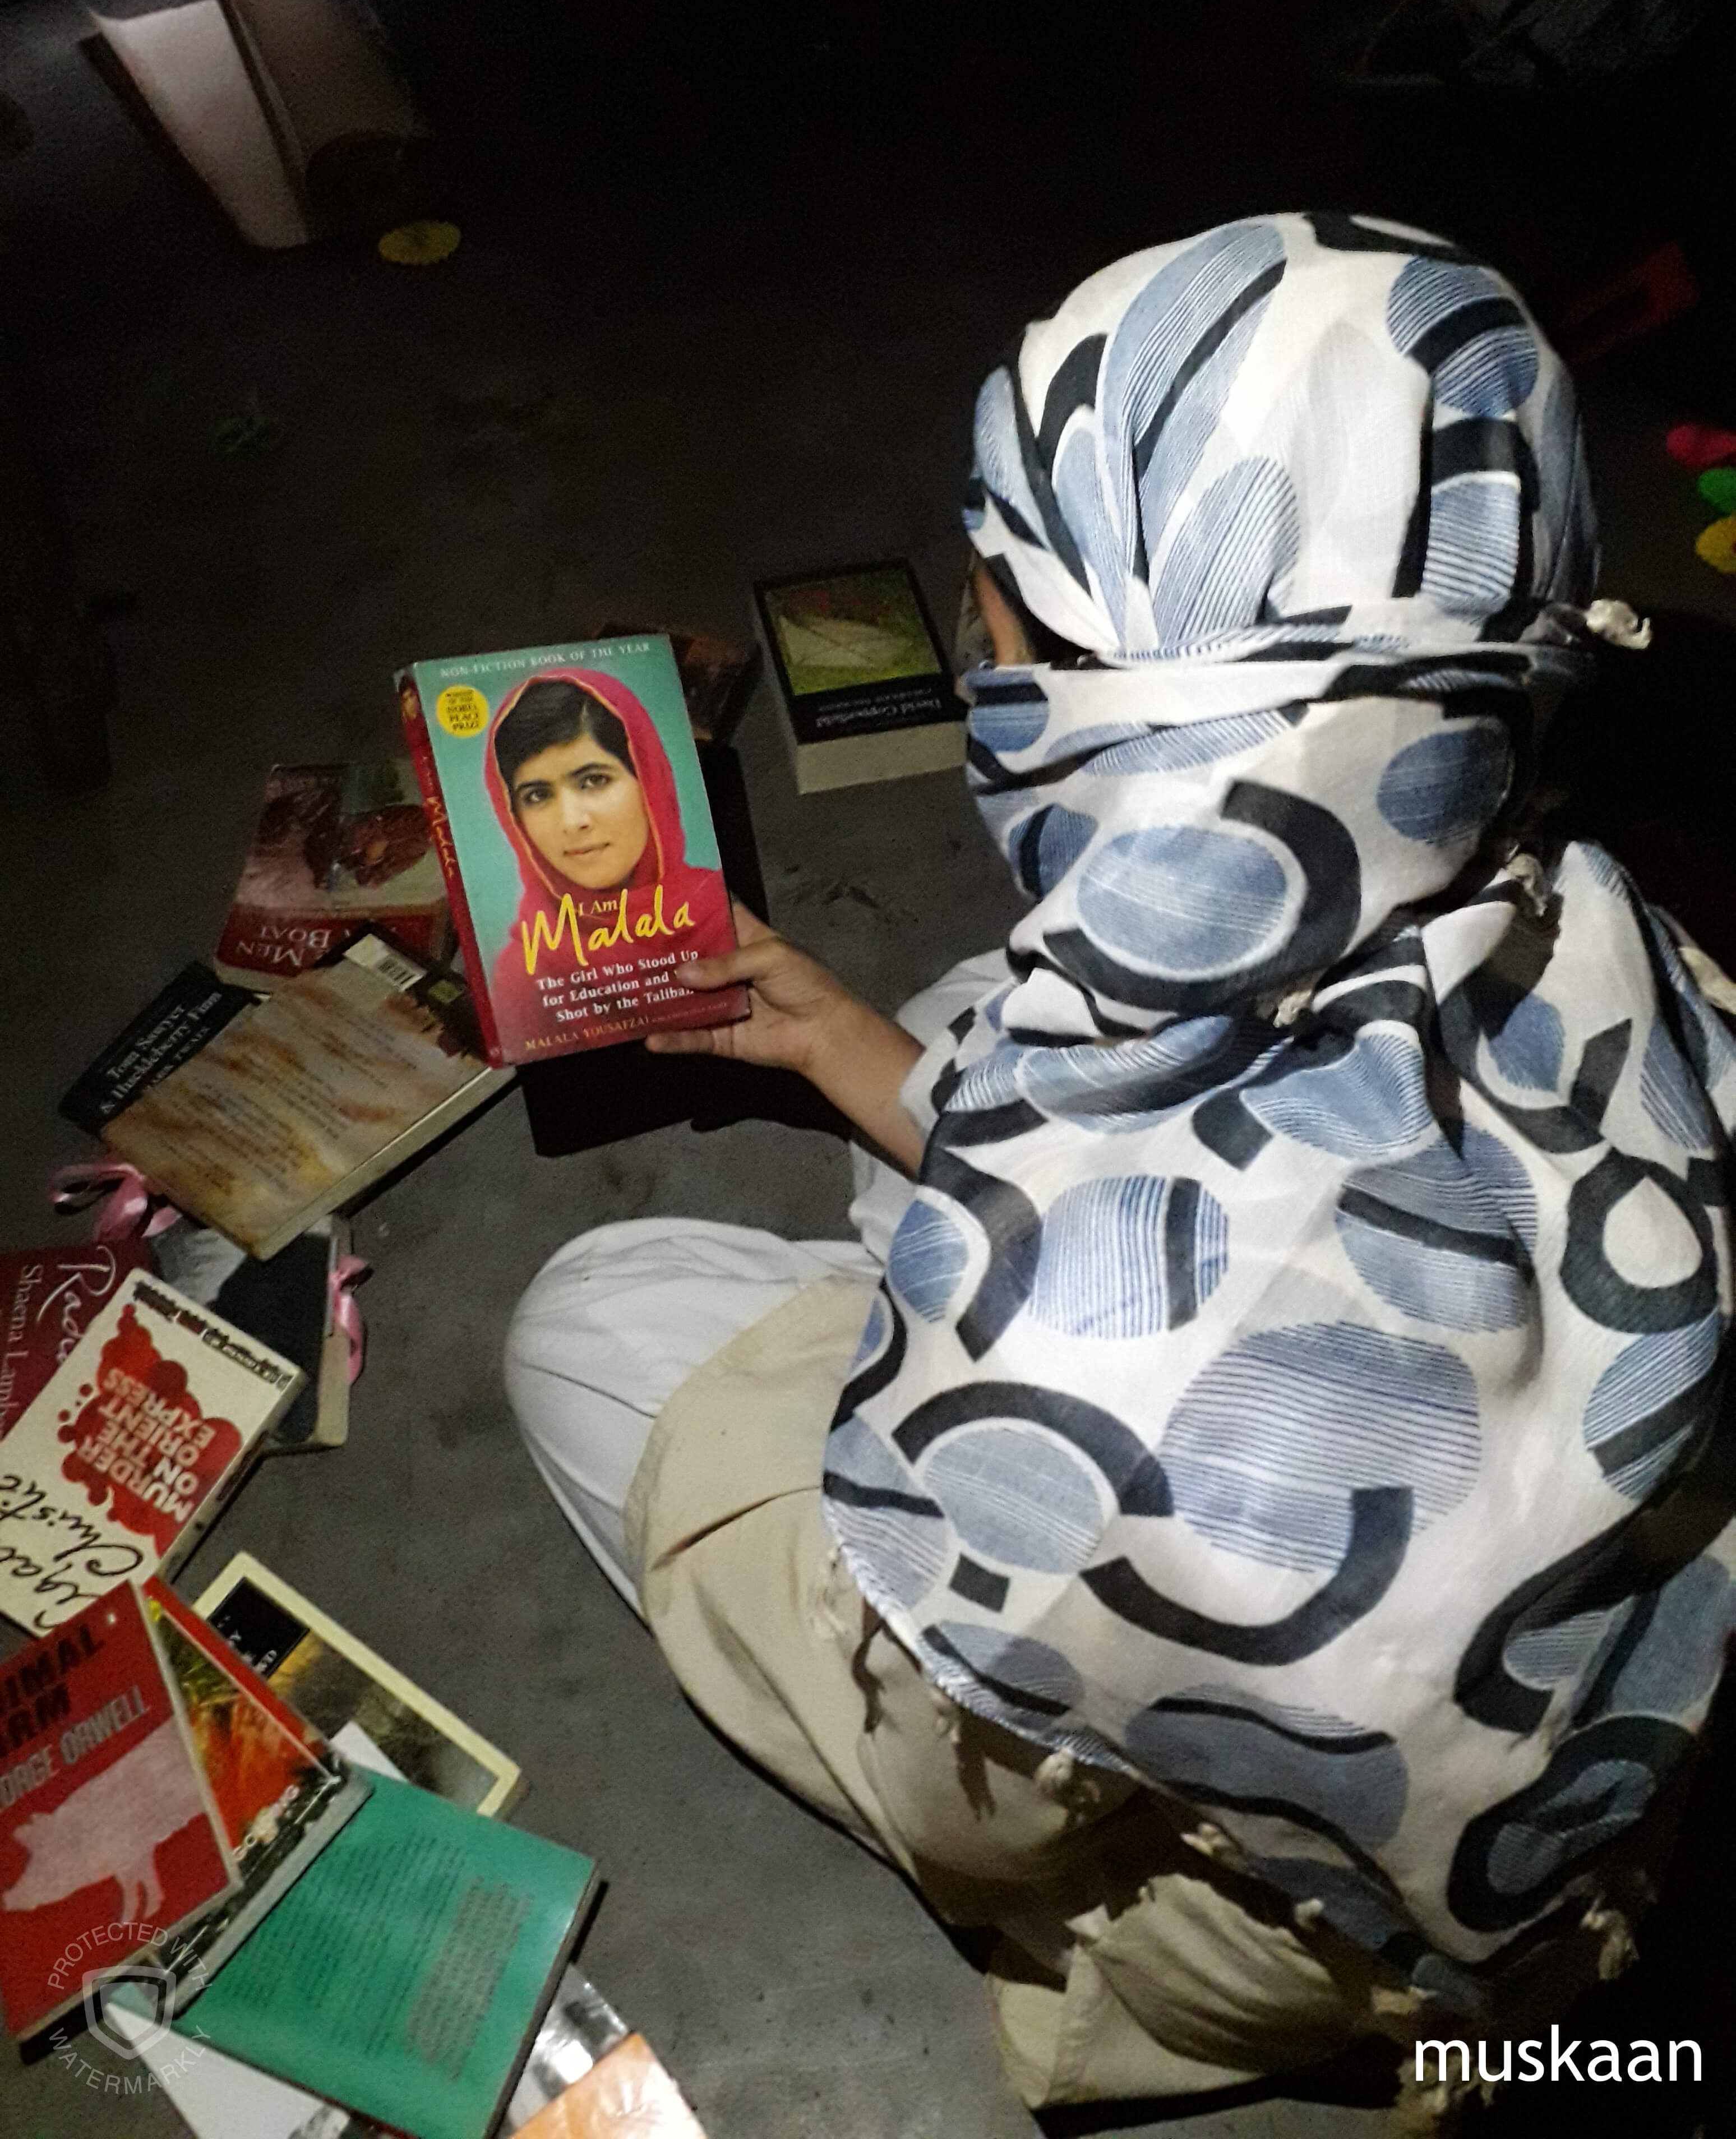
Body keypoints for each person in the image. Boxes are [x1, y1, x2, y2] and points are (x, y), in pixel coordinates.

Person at [504, 213, 1736, 2127]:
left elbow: (962, 1798)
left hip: (1328, 1929)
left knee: (590, 1316)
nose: (980, 638)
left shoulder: (1084, 1375)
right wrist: (850, 1052)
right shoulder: (1633, 945)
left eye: (1011, 603)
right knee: (970, 1009)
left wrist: (960, 1379)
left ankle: (1237, 2018)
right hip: (1580, 1753)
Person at [484, 667, 733, 1045]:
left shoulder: (721, 911)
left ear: (649, 781)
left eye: (594, 780)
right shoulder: (526, 974)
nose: (571, 822)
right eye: (537, 795)